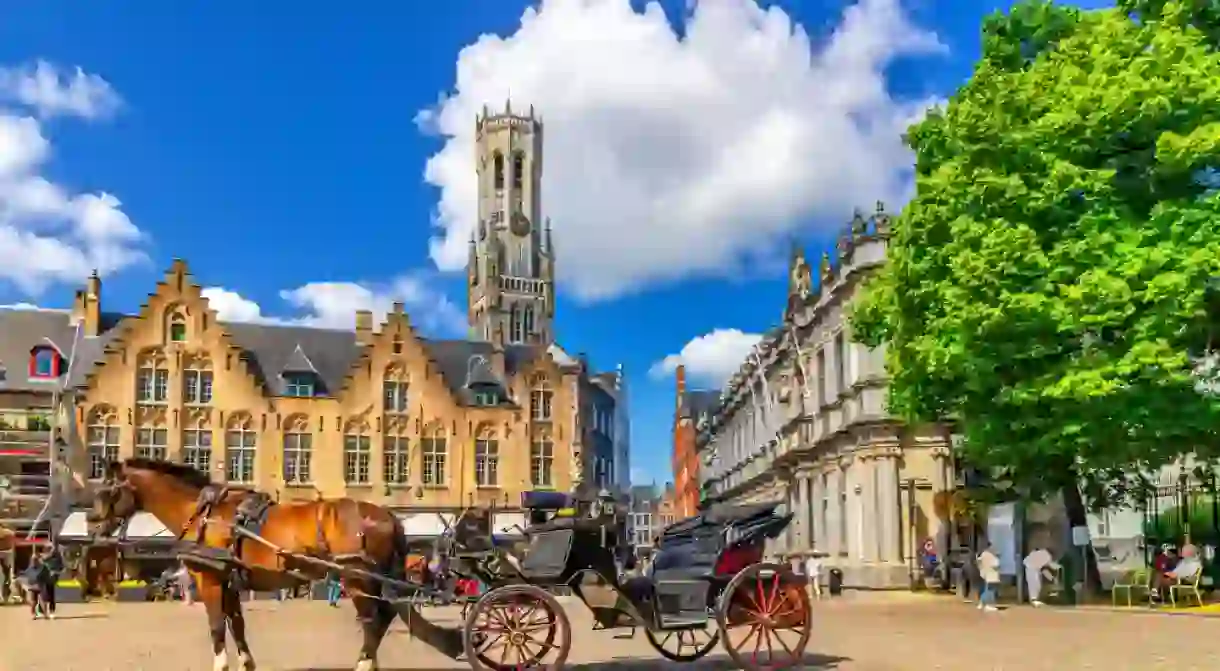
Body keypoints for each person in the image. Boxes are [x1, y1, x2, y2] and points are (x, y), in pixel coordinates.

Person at [976, 544, 1001, 613]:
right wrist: (998, 557)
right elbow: (996, 565)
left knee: (986, 589)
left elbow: (979, 563)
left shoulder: (983, 555)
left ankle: (982, 603)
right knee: (991, 590)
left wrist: (982, 571)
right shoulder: (991, 556)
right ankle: (989, 605)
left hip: (986, 575)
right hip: (992, 575)